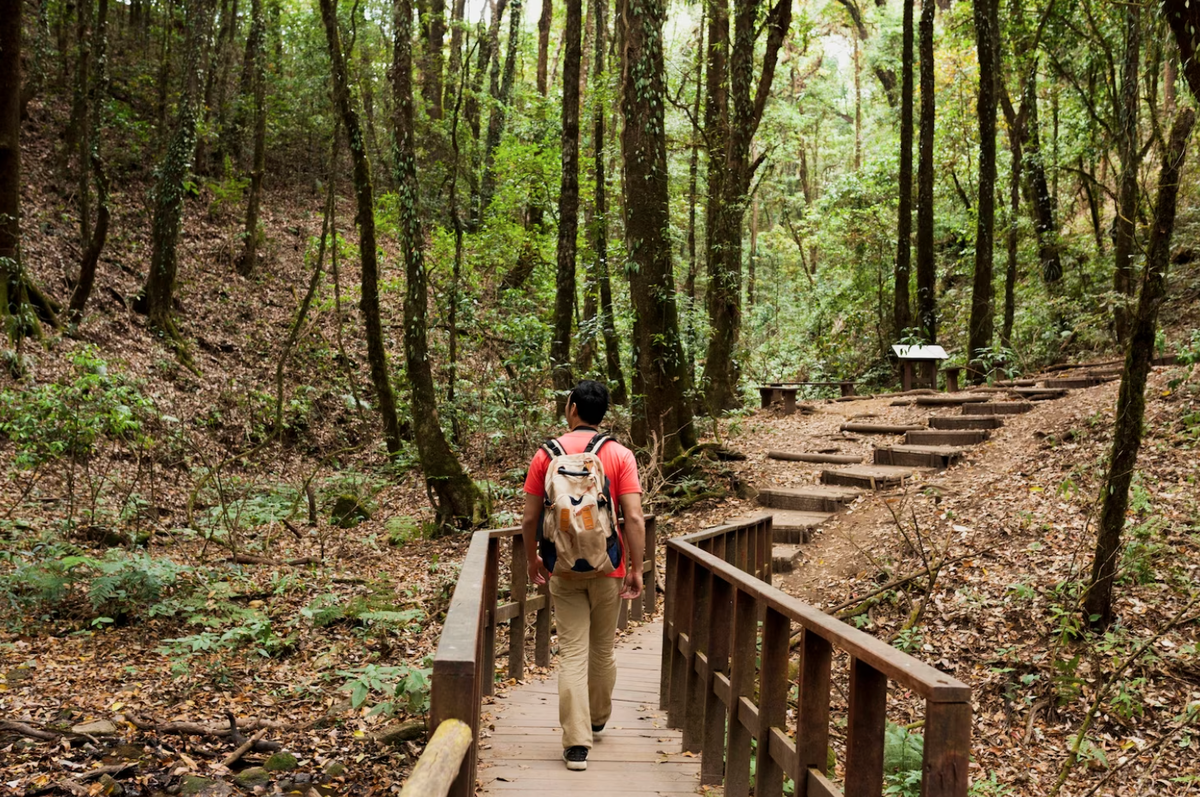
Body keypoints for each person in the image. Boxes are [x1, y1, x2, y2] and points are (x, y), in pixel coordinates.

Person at [521, 380, 645, 772]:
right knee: (603, 648)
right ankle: (596, 718)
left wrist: (531, 560)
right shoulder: (620, 455)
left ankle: (576, 745)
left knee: (573, 650)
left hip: (561, 566)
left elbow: (528, 517)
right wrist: (638, 568)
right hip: (609, 566)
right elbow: (635, 517)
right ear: (603, 412)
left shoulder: (545, 454)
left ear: (571, 408)